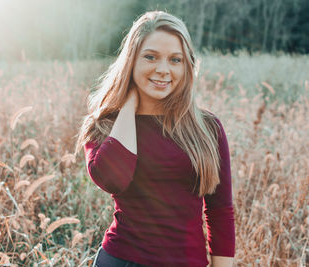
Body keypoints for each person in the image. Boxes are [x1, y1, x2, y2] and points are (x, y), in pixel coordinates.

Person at [75, 11, 235, 267]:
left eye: (175, 60)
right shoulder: (104, 125)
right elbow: (112, 179)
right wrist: (128, 106)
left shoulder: (207, 128)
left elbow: (220, 211)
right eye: (150, 57)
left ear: (187, 66)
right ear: (131, 61)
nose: (163, 70)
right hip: (121, 261)